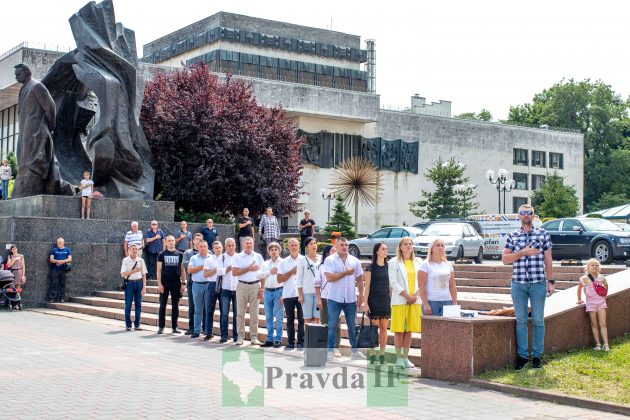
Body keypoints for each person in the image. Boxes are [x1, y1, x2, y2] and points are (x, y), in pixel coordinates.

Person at [502, 204, 554, 371]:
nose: (526, 216)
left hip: (538, 282)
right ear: (519, 216)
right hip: (518, 283)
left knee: (538, 320)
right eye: (523, 213)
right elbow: (505, 259)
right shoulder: (513, 236)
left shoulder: (543, 234)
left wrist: (550, 281)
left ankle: (537, 356)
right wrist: (522, 253)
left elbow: (548, 260)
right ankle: (523, 357)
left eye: (529, 213)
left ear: (533, 215)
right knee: (521, 321)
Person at [12, 63, 68, 198]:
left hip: (37, 132)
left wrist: (49, 127)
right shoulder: (23, 89)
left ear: (26, 72)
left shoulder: (36, 86)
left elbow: (51, 107)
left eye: (18, 74)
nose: (16, 77)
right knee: (24, 162)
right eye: (15, 74)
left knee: (37, 164)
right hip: (26, 133)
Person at [323, 237, 365, 360]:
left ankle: (355, 350)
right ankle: (330, 350)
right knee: (332, 325)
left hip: (351, 298)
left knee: (352, 325)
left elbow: (359, 279)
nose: (344, 247)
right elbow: (329, 278)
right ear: (335, 247)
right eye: (342, 245)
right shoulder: (330, 260)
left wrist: (361, 295)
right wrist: (345, 273)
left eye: (346, 245)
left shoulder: (354, 261)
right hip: (334, 298)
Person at [388, 236, 422, 369]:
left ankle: (406, 357)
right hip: (400, 301)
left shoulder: (418, 262)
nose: (408, 246)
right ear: (400, 247)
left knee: (409, 331)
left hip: (414, 301)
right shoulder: (394, 262)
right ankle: (398, 358)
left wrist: (415, 296)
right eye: (406, 244)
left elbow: (421, 281)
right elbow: (393, 282)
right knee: (399, 331)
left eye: (410, 244)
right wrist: (407, 296)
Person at [232, 236, 265, 345]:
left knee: (254, 314)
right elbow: (234, 273)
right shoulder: (238, 257)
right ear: (243, 244)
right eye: (247, 243)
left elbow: (262, 274)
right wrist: (248, 269)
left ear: (253, 244)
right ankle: (240, 336)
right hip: (241, 286)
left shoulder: (258, 257)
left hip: (255, 286)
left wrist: (262, 288)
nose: (249, 245)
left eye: (250, 243)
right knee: (240, 313)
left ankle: (254, 337)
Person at [363, 242, 391, 365]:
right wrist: (365, 303)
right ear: (377, 252)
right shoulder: (370, 267)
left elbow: (390, 287)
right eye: (383, 249)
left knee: (384, 328)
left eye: (386, 249)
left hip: (385, 300)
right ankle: (373, 354)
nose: (385, 251)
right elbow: (367, 287)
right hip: (373, 300)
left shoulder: (389, 266)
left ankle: (382, 354)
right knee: (374, 329)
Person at [577, 258, 610, 351]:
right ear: (587, 267)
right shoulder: (584, 278)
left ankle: (606, 344)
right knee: (594, 323)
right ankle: (598, 344)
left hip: (601, 303)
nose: (595, 266)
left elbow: (606, 285)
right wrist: (579, 300)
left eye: (597, 265)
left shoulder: (601, 277)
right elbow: (579, 289)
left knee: (603, 323)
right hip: (591, 304)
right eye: (592, 265)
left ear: (599, 267)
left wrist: (605, 295)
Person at [418, 239, 457, 316]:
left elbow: (452, 285)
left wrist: (454, 302)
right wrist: (425, 304)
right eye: (438, 245)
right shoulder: (425, 265)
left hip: (447, 301)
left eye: (442, 245)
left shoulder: (448, 264)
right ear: (432, 248)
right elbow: (421, 286)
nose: (440, 247)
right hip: (431, 301)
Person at [278, 238, 305, 350]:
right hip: (288, 294)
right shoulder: (283, 262)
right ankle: (290, 342)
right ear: (288, 247)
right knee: (289, 319)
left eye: (295, 245)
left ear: (298, 246)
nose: (294, 247)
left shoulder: (304, 260)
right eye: (291, 245)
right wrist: (291, 272)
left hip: (301, 294)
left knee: (301, 319)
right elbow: (279, 279)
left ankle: (301, 342)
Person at [315, 244, 341, 357]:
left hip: (337, 298)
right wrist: (319, 299)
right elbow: (317, 284)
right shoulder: (321, 267)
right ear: (326, 253)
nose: (335, 253)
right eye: (332, 251)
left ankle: (336, 348)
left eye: (336, 251)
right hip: (325, 298)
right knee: (325, 323)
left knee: (337, 324)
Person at [156, 235, 185, 334]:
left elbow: (182, 270)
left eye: (172, 240)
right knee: (162, 305)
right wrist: (159, 284)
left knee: (175, 306)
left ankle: (174, 327)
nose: (171, 242)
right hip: (164, 283)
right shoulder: (161, 254)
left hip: (176, 283)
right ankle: (161, 327)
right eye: (169, 241)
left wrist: (183, 282)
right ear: (166, 242)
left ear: (175, 242)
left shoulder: (180, 254)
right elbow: (158, 270)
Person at [259, 242, 284, 348]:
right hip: (268, 291)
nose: (274, 251)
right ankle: (269, 339)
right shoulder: (265, 264)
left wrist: (284, 294)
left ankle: (278, 339)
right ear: (269, 252)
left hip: (279, 291)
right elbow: (258, 275)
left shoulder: (283, 263)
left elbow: (287, 279)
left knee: (279, 317)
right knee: (268, 316)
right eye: (271, 249)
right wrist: (270, 271)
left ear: (279, 251)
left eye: (276, 249)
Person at [202, 241, 227, 340]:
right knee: (209, 309)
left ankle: (223, 334)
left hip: (223, 285)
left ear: (222, 248)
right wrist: (215, 270)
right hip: (212, 285)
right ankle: (208, 332)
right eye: (216, 248)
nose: (218, 249)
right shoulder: (209, 260)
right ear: (213, 249)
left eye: (219, 247)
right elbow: (205, 274)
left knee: (223, 310)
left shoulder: (226, 259)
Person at [120, 243, 147, 331]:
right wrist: (134, 271)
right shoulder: (125, 260)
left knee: (138, 305)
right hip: (129, 284)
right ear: (129, 250)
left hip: (139, 283)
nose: (135, 251)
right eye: (133, 249)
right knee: (128, 305)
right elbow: (123, 274)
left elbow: (144, 274)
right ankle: (128, 325)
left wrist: (144, 287)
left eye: (136, 249)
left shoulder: (141, 260)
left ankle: (137, 324)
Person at [187, 240, 211, 338]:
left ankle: (207, 331)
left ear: (207, 247)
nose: (203, 248)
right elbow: (189, 270)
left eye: (204, 246)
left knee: (208, 309)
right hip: (196, 285)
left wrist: (197, 268)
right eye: (201, 246)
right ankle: (197, 331)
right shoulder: (194, 258)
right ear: (198, 247)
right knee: (198, 309)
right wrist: (202, 267)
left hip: (209, 285)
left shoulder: (211, 258)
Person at [219, 238, 238, 343]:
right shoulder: (221, 257)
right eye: (229, 245)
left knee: (237, 314)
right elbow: (218, 271)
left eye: (232, 245)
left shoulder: (239, 257)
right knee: (225, 313)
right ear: (225, 246)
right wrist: (228, 269)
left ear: (235, 246)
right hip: (225, 289)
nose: (231, 247)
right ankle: (224, 335)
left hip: (237, 288)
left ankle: (236, 335)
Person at [183, 233, 202, 335]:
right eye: (196, 239)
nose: (198, 241)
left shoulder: (208, 252)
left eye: (200, 239)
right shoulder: (188, 252)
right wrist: (195, 261)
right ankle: (191, 327)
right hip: (191, 282)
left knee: (204, 306)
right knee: (192, 305)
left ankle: (202, 328)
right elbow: (184, 264)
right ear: (193, 241)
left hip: (204, 282)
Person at [297, 237, 320, 324]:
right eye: (311, 244)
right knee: (308, 319)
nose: (314, 245)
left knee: (317, 318)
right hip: (307, 293)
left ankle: (316, 337)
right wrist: (300, 295)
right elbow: (299, 279)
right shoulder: (302, 260)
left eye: (315, 243)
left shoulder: (322, 259)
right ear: (307, 247)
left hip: (319, 293)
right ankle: (308, 337)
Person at [49, 238, 72, 303]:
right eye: (58, 242)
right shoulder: (54, 250)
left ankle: (62, 298)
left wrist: (63, 261)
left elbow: (70, 259)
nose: (59, 243)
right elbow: (51, 259)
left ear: (63, 242)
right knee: (54, 284)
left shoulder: (67, 249)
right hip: (55, 269)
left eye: (60, 242)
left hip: (64, 269)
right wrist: (57, 261)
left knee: (62, 284)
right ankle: (52, 298)